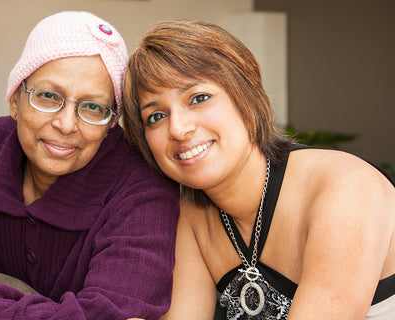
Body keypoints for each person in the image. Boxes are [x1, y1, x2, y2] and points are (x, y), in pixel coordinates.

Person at [121, 19, 395, 319]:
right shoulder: (192, 215)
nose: (179, 128)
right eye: (156, 116)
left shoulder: (345, 188)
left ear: (246, 98)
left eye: (198, 98)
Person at [0, 11, 179, 319]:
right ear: (15, 99)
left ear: (111, 124)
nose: (66, 125)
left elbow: (109, 315)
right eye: (49, 96)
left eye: (93, 107)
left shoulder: (142, 190)